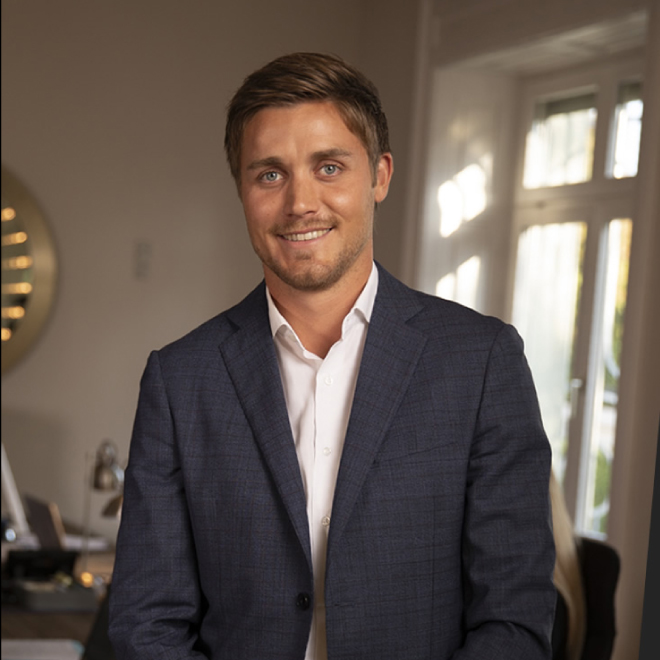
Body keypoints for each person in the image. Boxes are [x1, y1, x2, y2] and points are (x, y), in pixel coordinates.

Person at [109, 52, 556, 659]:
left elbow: (514, 620)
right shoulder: (180, 380)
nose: (300, 202)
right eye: (270, 174)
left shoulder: (480, 363)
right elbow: (146, 624)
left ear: (380, 176)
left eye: (329, 167)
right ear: (242, 190)